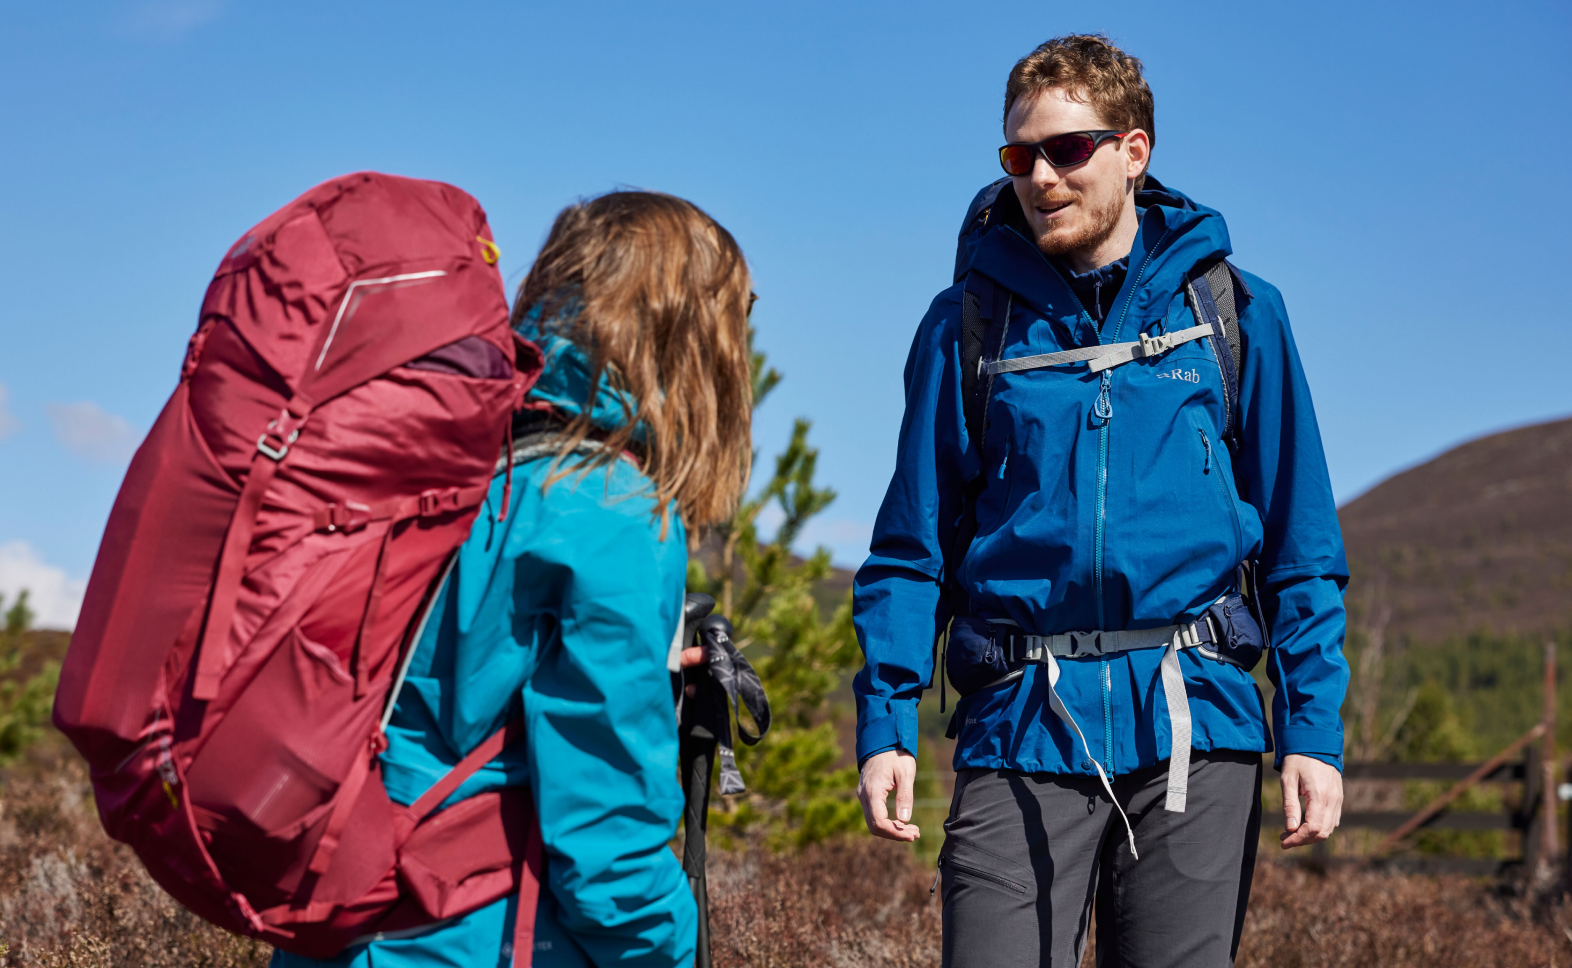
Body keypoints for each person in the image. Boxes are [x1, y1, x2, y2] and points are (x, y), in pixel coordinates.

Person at [852, 34, 1349, 968]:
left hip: (1198, 728)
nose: (1040, 176)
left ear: (1134, 150)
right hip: (1017, 728)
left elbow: (1301, 546)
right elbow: (910, 545)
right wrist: (887, 717)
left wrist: (1311, 730)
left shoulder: (1236, 312)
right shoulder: (967, 323)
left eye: (1067, 149)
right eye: (1019, 156)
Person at [272, 191, 754, 968]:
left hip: (342, 920)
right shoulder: (613, 509)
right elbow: (607, 846)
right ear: (685, 333)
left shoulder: (442, 466)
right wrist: (673, 950)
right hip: (481, 935)